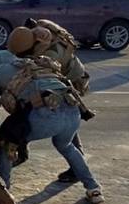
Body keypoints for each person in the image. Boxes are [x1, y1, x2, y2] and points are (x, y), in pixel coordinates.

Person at [0, 47, 104, 204]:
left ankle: (3, 192)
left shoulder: (3, 68)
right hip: (73, 111)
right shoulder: (41, 64)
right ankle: (93, 188)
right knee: (66, 145)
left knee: (7, 142)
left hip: (45, 116)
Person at [13, 21, 92, 182]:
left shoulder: (49, 56)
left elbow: (43, 76)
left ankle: (77, 168)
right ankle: (22, 151)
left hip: (70, 81)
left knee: (66, 120)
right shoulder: (43, 29)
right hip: (74, 73)